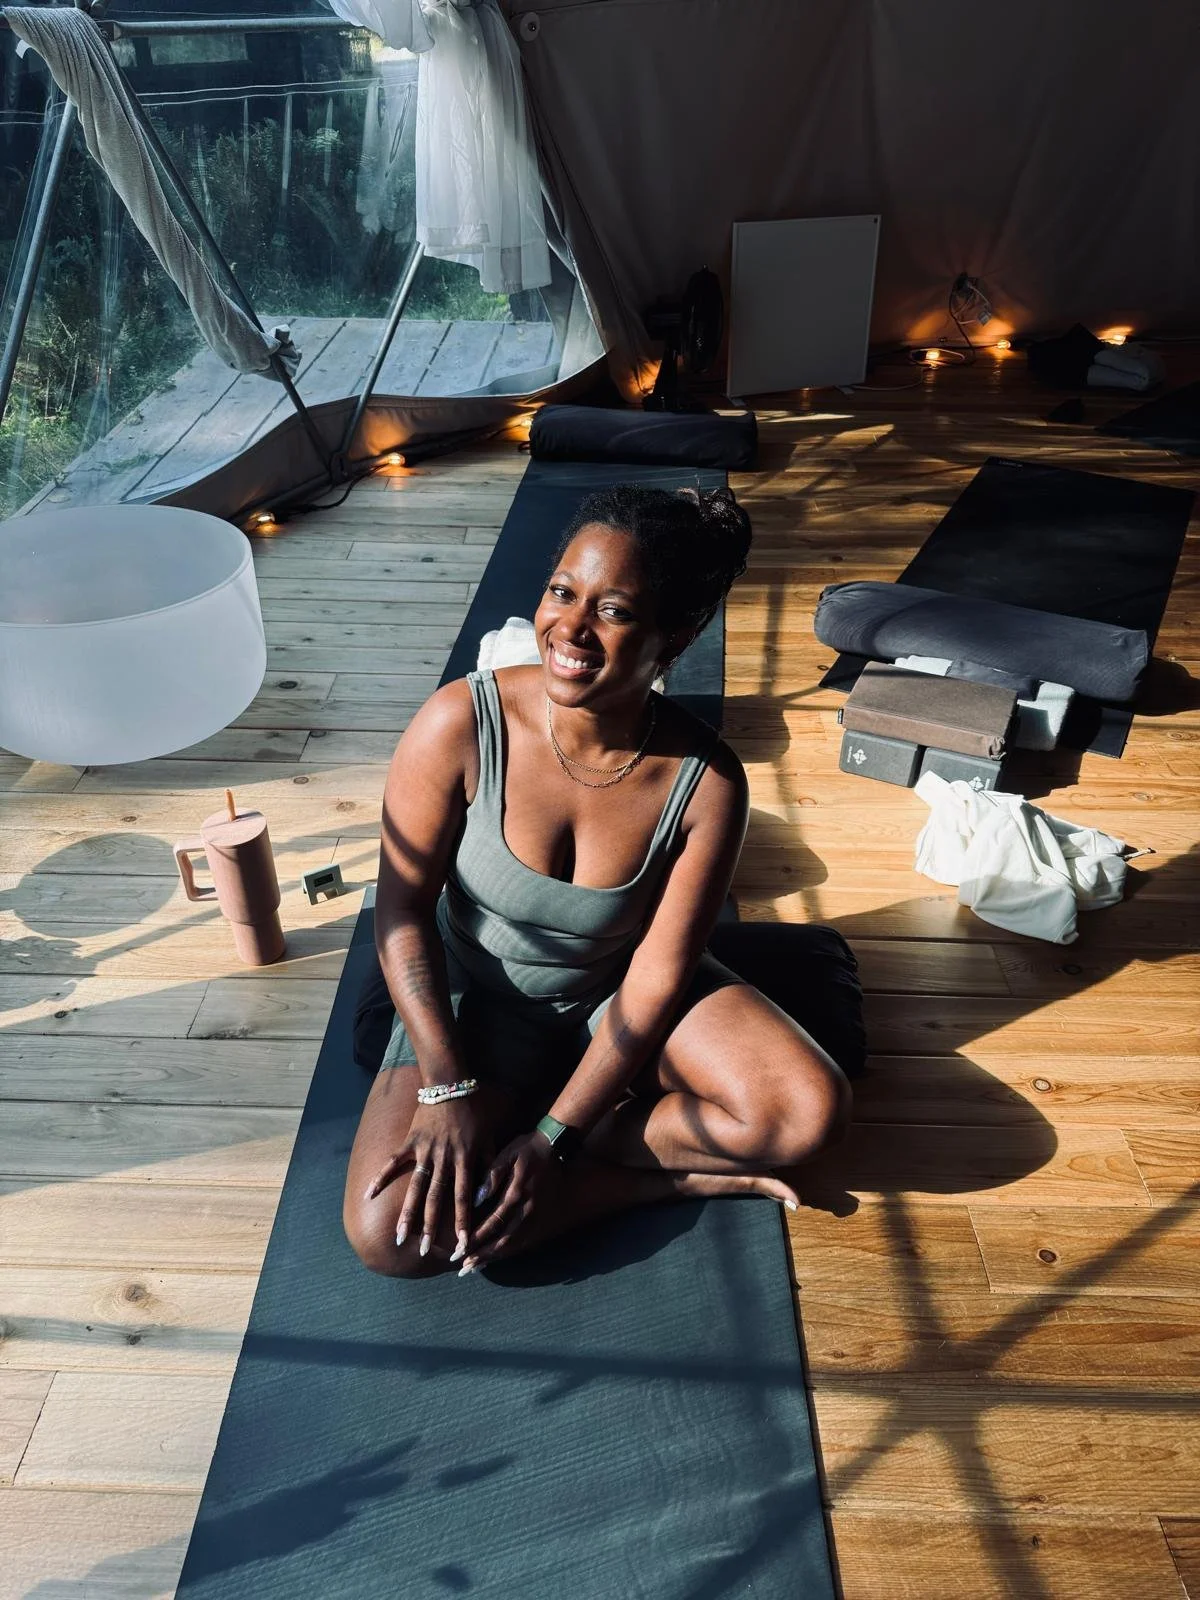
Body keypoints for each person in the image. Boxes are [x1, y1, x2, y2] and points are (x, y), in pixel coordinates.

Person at [343, 483, 850, 1278]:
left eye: (611, 611)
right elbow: (403, 914)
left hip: (615, 996)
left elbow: (653, 982)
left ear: (673, 635)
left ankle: (625, 1166)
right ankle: (666, 1171)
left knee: (804, 1114)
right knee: (389, 1235)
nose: (569, 629)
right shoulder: (458, 723)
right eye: (561, 592)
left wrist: (551, 1140)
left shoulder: (708, 784)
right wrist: (445, 1087)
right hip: (479, 1003)